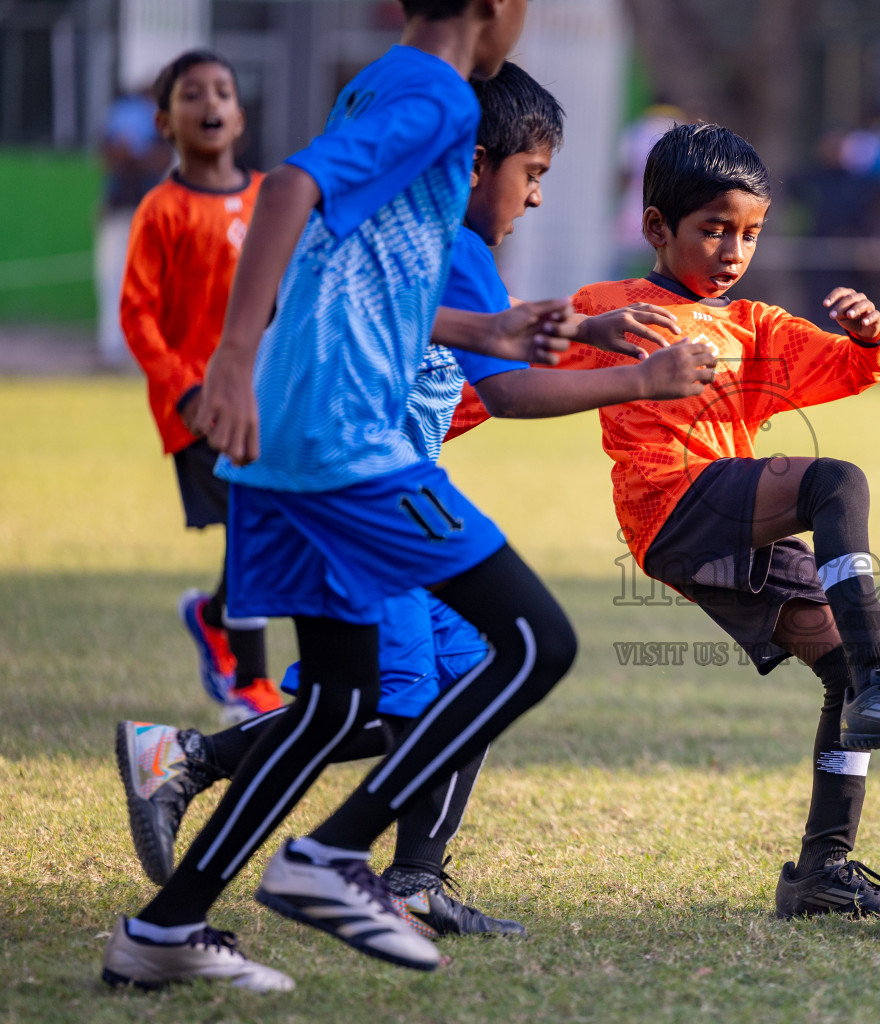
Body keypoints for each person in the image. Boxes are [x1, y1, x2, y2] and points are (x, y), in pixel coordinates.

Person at [114, 59, 714, 944]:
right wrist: (641, 380)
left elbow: (464, 327)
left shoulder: (432, 236)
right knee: (415, 694)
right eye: (534, 175)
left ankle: (408, 878)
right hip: (366, 490)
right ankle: (218, 784)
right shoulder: (451, 232)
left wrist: (585, 329)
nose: (537, 199)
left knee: (452, 678)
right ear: (476, 164)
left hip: (366, 475)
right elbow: (506, 390)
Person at [455, 123, 880, 920]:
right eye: (715, 230)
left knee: (836, 670)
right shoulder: (614, 310)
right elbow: (505, 371)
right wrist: (418, 426)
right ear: (657, 229)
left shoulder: (758, 330)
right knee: (835, 482)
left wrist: (870, 339)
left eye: (750, 233)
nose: (735, 250)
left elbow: (844, 367)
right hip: (669, 506)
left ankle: (820, 875)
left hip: (733, 525)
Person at [119, 50, 281, 723]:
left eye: (222, 92)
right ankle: (252, 682)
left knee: (267, 522)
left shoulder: (271, 197)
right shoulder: (161, 210)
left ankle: (213, 616)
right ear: (164, 120)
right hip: (199, 410)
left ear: (240, 116)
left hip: (267, 400)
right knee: (254, 526)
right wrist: (188, 392)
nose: (209, 103)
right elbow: (138, 315)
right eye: (192, 95)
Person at [97, 85, 173, 367]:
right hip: (118, 209)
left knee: (149, 283)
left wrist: (135, 156)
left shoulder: (161, 119)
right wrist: (125, 154)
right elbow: (106, 154)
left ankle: (144, 348)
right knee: (111, 280)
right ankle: (111, 348)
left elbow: (161, 158)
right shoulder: (119, 113)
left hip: (149, 211)